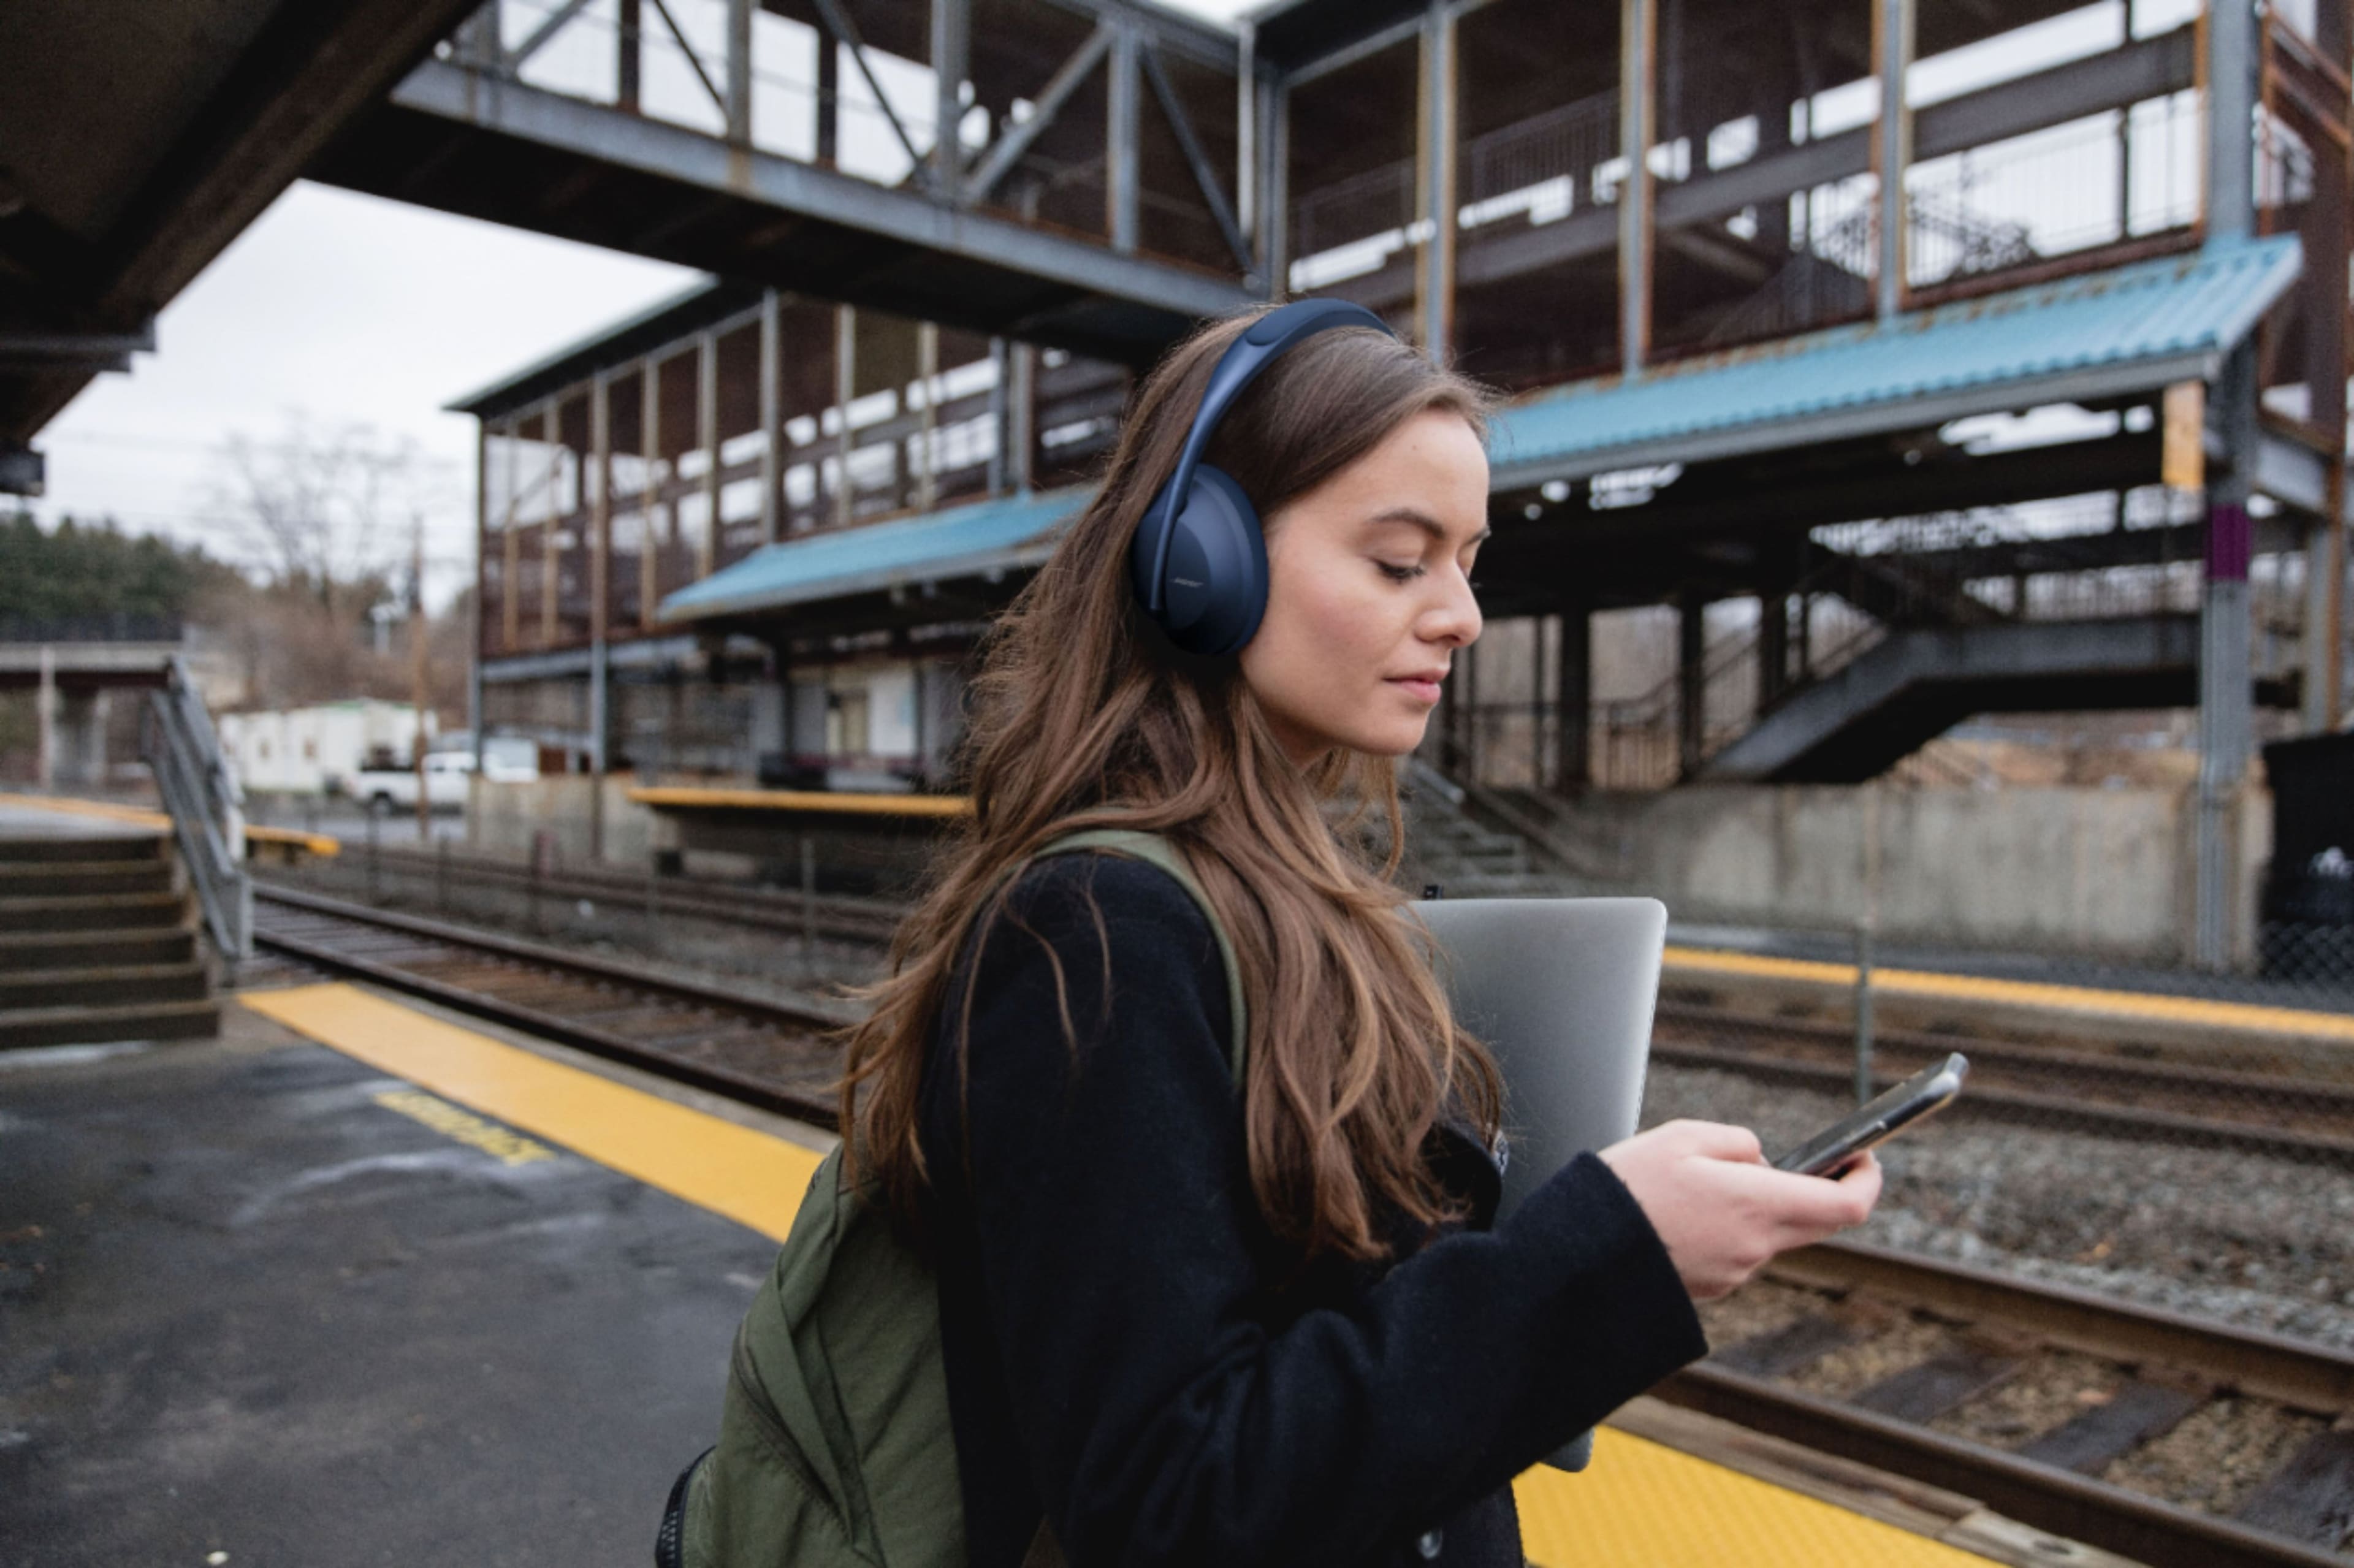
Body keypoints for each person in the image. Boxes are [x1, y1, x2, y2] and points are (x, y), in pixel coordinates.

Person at [832, 304, 1881, 1568]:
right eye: (1400, 561)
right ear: (1202, 562)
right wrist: (1601, 1258)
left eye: (1469, 560)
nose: (1462, 616)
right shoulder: (1098, 936)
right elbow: (1170, 1503)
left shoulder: (1292, 901)